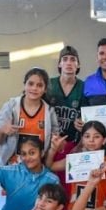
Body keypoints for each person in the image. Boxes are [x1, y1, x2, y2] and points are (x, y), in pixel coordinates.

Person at [0, 67, 59, 165]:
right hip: (12, 168)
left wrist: (58, 144)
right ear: (25, 85)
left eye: (39, 85)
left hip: (37, 169)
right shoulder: (10, 106)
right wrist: (2, 130)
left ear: (45, 89)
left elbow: (55, 142)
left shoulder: (49, 112)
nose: (34, 88)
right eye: (31, 84)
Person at [45, 45, 86, 181]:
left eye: (73, 59)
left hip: (73, 144)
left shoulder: (84, 87)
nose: (69, 62)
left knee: (69, 185)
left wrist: (83, 123)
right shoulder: (48, 85)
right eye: (65, 59)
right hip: (49, 144)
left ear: (78, 64)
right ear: (59, 64)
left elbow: (89, 118)